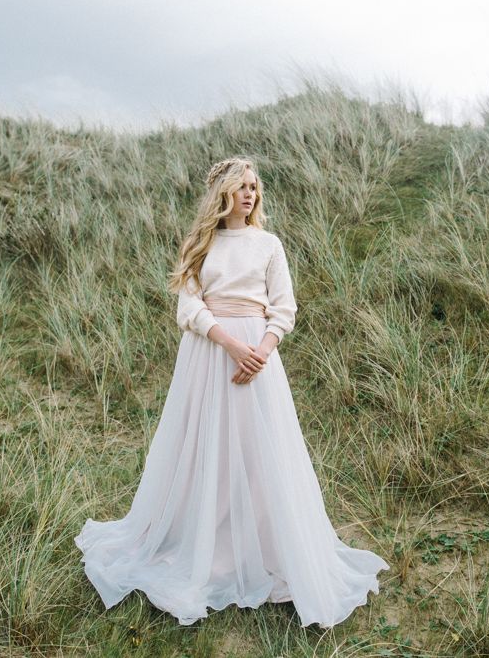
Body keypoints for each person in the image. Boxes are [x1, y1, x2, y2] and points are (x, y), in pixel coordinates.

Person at [74, 156, 390, 628]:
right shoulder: (200, 244)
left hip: (258, 359)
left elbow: (284, 307)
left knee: (259, 448)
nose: (250, 195)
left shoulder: (269, 244)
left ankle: (263, 545)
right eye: (242, 187)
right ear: (222, 193)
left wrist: (259, 352)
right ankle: (204, 545)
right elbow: (189, 306)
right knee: (205, 444)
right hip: (209, 353)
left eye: (255, 187)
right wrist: (229, 344)